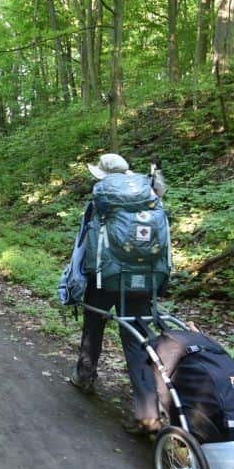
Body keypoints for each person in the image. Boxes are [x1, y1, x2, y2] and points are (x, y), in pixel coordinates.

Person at [68, 153, 164, 434]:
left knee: (94, 326)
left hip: (105, 277)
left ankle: (85, 377)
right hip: (144, 277)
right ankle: (148, 411)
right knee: (137, 338)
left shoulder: (103, 199)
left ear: (102, 175)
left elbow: (86, 239)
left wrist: (76, 277)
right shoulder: (149, 195)